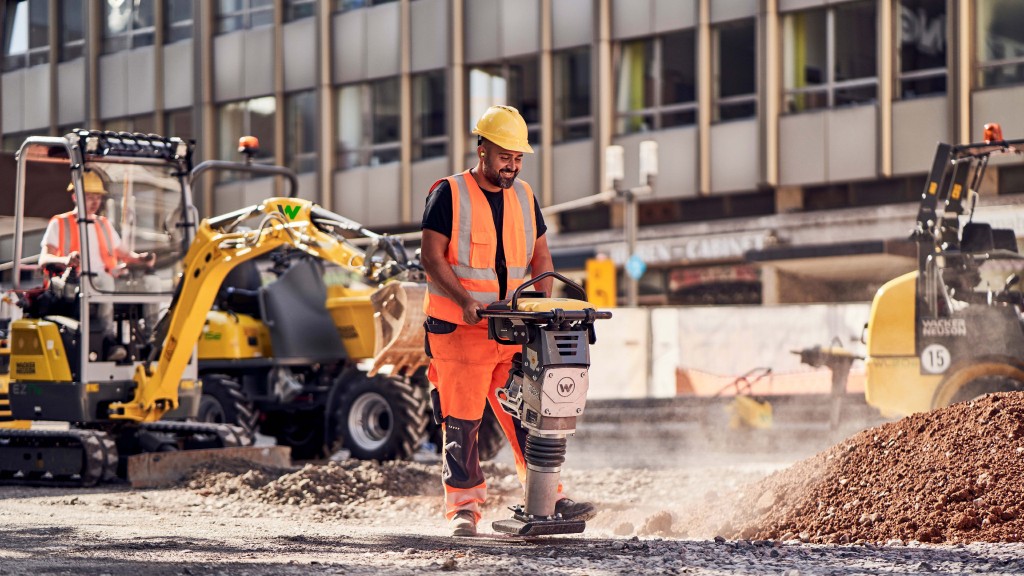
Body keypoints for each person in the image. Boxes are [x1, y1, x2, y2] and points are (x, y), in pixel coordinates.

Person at [420, 105, 596, 537]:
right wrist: (463, 300)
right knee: (462, 422)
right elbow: (430, 256)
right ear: (482, 149)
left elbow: (541, 256)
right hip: (460, 331)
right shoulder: (449, 192)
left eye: (518, 158)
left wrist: (541, 305)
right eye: (504, 157)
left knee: (530, 412)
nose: (512, 166)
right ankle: (463, 509)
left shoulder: (524, 195)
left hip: (512, 329)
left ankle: (547, 495)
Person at [38, 170, 157, 361]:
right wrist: (65, 260)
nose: (95, 202)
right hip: (75, 285)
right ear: (75, 196)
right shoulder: (60, 223)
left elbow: (124, 254)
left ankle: (151, 340)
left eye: (98, 197)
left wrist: (141, 259)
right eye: (89, 197)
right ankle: (108, 341)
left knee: (153, 283)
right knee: (105, 282)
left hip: (106, 281)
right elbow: (43, 259)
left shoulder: (103, 224)